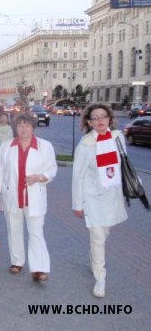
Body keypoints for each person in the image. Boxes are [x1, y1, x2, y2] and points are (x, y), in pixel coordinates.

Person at [0, 113, 57, 282]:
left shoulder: (45, 146)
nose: (23, 128)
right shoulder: (6, 146)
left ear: (33, 127)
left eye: (27, 125)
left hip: (34, 197)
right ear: (15, 127)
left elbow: (52, 169)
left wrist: (40, 177)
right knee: (14, 230)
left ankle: (39, 268)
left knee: (36, 232)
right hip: (12, 196)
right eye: (20, 125)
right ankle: (17, 261)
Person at [72, 104, 128, 298]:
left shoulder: (118, 138)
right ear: (89, 122)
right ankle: (100, 279)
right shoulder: (85, 144)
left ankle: (94, 259)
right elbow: (77, 177)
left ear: (110, 119)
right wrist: (77, 204)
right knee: (98, 238)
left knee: (103, 235)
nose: (100, 120)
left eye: (103, 116)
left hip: (112, 197)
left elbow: (124, 167)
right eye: (95, 117)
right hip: (93, 199)